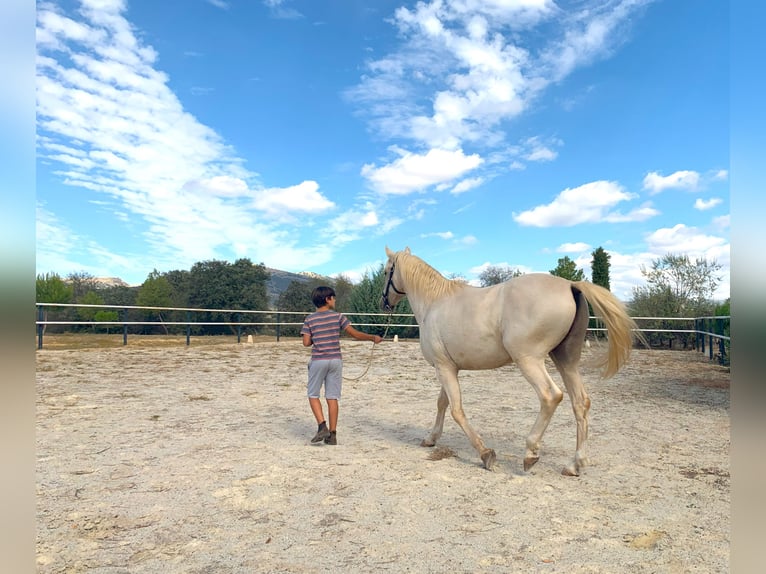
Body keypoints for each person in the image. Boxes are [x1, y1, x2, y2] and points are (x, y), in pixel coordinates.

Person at [300, 286, 383, 445]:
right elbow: (354, 334)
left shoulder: (310, 319)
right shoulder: (338, 317)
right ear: (327, 299)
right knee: (332, 397)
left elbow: (306, 343)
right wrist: (373, 338)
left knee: (313, 394)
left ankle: (321, 425)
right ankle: (332, 434)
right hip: (336, 361)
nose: (335, 300)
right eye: (333, 298)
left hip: (318, 360)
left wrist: (315, 338)